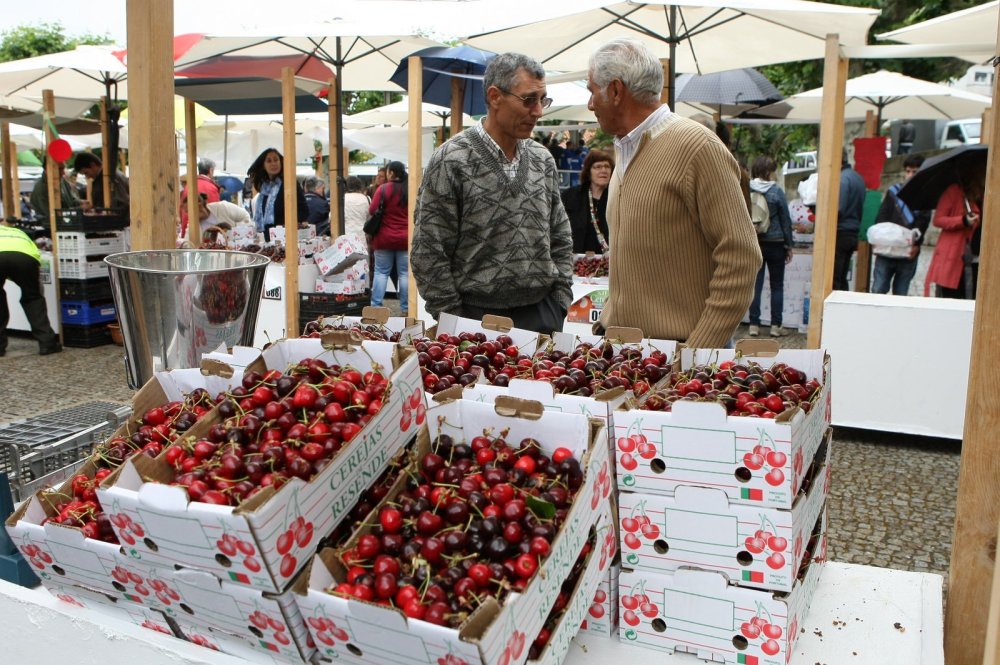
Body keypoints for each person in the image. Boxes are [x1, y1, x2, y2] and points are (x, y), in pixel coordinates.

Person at [585, 39, 760, 347]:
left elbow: (741, 256)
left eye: (591, 91)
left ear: (615, 91)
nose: (589, 103)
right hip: (627, 353)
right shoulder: (626, 148)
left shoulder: (697, 147)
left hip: (677, 354)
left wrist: (699, 351)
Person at [411, 52, 573, 334]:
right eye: (529, 99)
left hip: (541, 316)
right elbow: (428, 249)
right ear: (495, 96)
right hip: (473, 320)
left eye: (542, 99)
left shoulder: (542, 159)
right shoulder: (452, 159)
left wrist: (559, 304)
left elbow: (560, 235)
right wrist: (453, 319)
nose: (538, 111)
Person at [746, 155, 794, 338]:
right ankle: (775, 325)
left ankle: (754, 324)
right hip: (776, 243)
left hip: (756, 242)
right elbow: (785, 220)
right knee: (777, 286)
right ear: (769, 171)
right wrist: (789, 245)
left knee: (755, 285)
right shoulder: (776, 191)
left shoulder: (747, 188)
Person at [871, 154, 931, 296]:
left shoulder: (925, 196)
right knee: (878, 290)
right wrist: (879, 240)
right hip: (887, 250)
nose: (910, 175)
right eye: (908, 171)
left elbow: (923, 223)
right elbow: (882, 218)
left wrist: (916, 245)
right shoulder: (894, 192)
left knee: (901, 293)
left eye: (915, 171)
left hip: (907, 252)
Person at [925, 159, 986, 299]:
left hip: (979, 259)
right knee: (954, 297)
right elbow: (938, 219)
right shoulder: (954, 192)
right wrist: (963, 220)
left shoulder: (987, 195)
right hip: (956, 257)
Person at [0, 219, 61, 356]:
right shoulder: (18, 232)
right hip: (25, 258)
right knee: (33, 297)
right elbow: (33, 255)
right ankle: (47, 343)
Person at [369, 161, 409, 315]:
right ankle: (406, 308)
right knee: (404, 274)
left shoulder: (383, 189)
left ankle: (376, 307)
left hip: (384, 238)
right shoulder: (409, 189)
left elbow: (372, 209)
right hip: (405, 239)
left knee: (381, 272)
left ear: (391, 172)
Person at [246, 148, 308, 242]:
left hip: (285, 239)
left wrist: (291, 223)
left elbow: (304, 210)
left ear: (281, 162)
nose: (273, 163)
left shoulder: (289, 183)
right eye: (269, 161)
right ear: (263, 165)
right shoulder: (264, 188)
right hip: (267, 240)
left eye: (276, 160)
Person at [560, 149, 614, 253]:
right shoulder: (570, 196)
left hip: (606, 261)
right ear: (589, 172)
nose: (603, 170)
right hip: (576, 259)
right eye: (598, 167)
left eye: (607, 167)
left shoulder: (616, 198)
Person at [833, 148, 866, 291]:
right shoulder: (857, 177)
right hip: (853, 231)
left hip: (841, 232)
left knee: (835, 278)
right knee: (842, 276)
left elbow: (839, 208)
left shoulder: (842, 179)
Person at [179, 157, 221, 237]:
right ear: (210, 170)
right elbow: (215, 214)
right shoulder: (211, 187)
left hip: (188, 231)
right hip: (205, 234)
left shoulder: (189, 186)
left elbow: (181, 210)